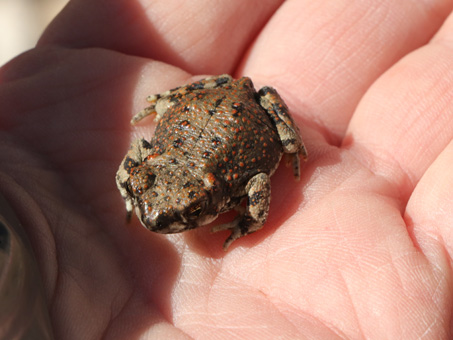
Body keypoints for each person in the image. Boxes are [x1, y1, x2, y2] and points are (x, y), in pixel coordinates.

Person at [1, 1, 452, 338]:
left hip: (243, 117)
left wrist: (251, 215)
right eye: (159, 209)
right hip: (192, 123)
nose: (160, 219)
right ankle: (172, 104)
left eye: (184, 212)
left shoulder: (227, 189)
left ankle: (287, 141)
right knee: (178, 109)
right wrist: (130, 193)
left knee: (278, 125)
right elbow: (132, 162)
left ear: (206, 201)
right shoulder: (149, 169)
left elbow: (257, 182)